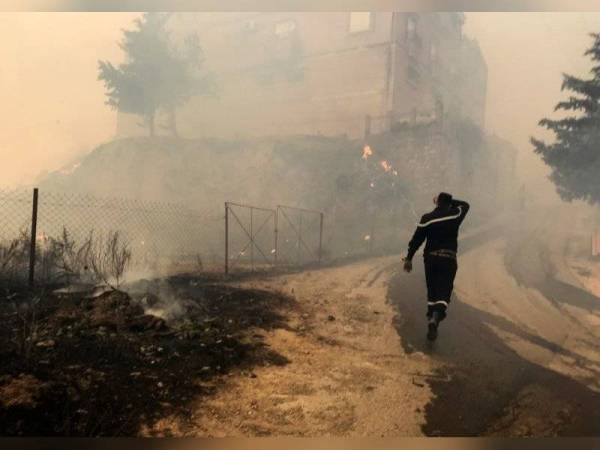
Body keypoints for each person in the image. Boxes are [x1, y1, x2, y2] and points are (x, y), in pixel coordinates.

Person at [402, 192, 470, 341]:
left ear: (437, 202)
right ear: (449, 203)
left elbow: (416, 239)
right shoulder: (455, 215)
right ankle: (435, 318)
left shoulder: (427, 218)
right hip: (448, 258)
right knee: (444, 291)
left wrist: (409, 258)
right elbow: (465, 205)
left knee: (432, 290)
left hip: (431, 259)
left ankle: (431, 316)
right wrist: (451, 202)